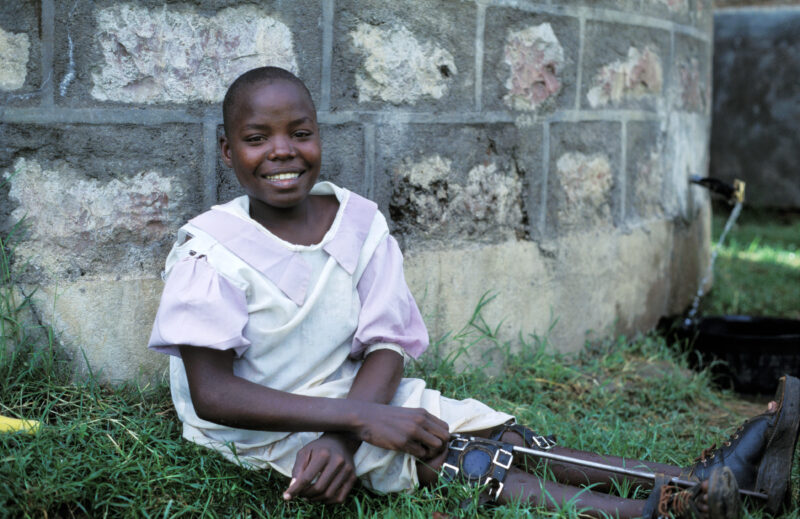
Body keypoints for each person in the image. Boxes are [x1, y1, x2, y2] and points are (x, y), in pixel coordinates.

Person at [147, 66, 799, 518]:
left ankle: (713, 479)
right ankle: (659, 508)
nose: (283, 151)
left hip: (356, 399)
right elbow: (215, 392)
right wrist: (353, 424)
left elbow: (386, 342)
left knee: (502, 432)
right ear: (228, 152)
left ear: (320, 134)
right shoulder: (212, 248)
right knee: (459, 460)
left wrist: (358, 422)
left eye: (300, 132)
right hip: (263, 426)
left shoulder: (359, 222)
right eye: (258, 139)